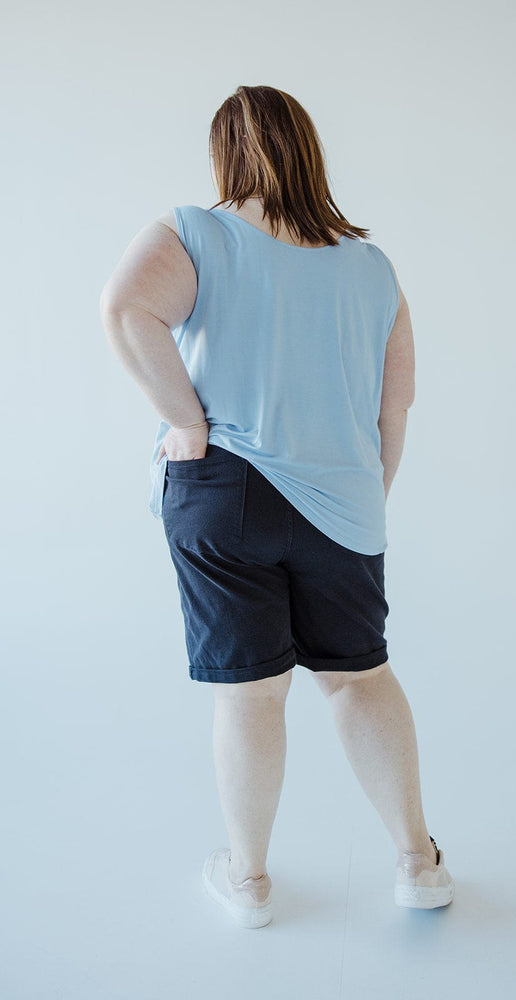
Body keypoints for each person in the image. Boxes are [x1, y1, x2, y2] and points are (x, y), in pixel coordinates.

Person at [99, 84, 454, 928]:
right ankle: (418, 864)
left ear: (226, 152)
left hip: (225, 490)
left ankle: (249, 881)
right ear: (309, 148)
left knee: (249, 694)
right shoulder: (371, 267)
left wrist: (185, 422)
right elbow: (391, 407)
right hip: (344, 500)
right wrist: (366, 497)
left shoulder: (196, 229)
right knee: (359, 678)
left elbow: (125, 310)